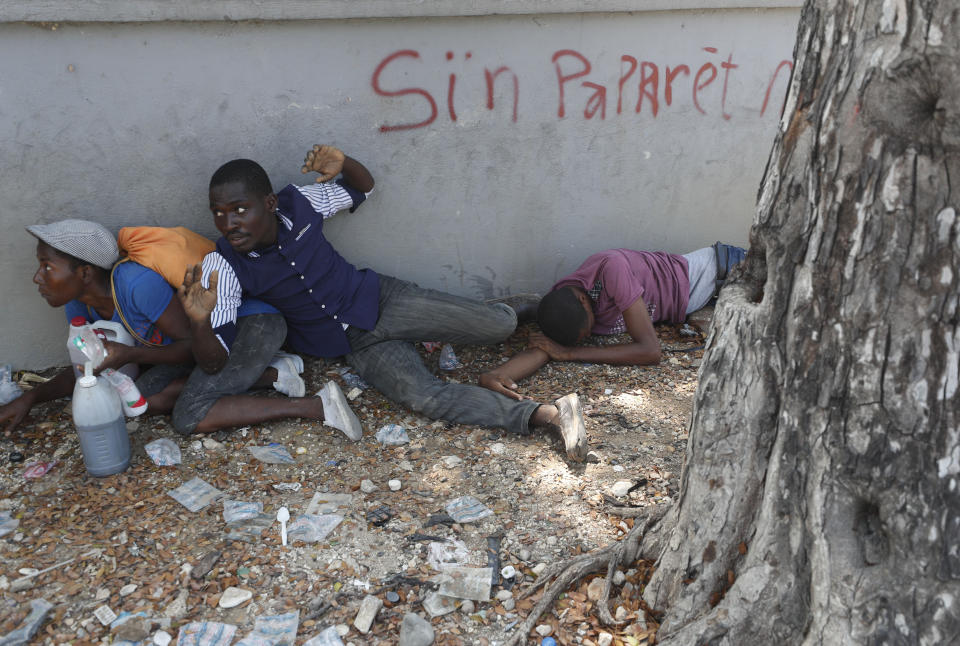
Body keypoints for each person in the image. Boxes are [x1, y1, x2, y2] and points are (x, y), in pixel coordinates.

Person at [184, 144, 588, 461]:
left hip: (382, 299)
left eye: (240, 210)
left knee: (498, 327)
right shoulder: (223, 266)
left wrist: (344, 161)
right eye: (218, 214)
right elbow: (214, 363)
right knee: (425, 396)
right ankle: (548, 415)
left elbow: (363, 187)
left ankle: (519, 308)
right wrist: (200, 322)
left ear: (270, 204)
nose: (229, 224)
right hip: (357, 345)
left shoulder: (301, 202)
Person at [0, 219, 319, 437]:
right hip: (198, 352)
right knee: (141, 402)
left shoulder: (137, 284)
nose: (37, 278)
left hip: (246, 325)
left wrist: (129, 353)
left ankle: (311, 405)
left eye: (47, 266)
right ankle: (273, 373)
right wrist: (32, 397)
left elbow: (195, 346)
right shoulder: (78, 304)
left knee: (189, 413)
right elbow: (84, 367)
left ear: (84, 273)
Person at [478, 245, 745, 399]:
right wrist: (498, 375)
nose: (592, 333)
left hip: (722, 271)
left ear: (584, 302)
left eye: (588, 329)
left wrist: (570, 353)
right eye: (584, 337)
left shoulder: (610, 269)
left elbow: (650, 351)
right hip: (710, 299)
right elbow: (547, 349)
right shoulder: (566, 305)